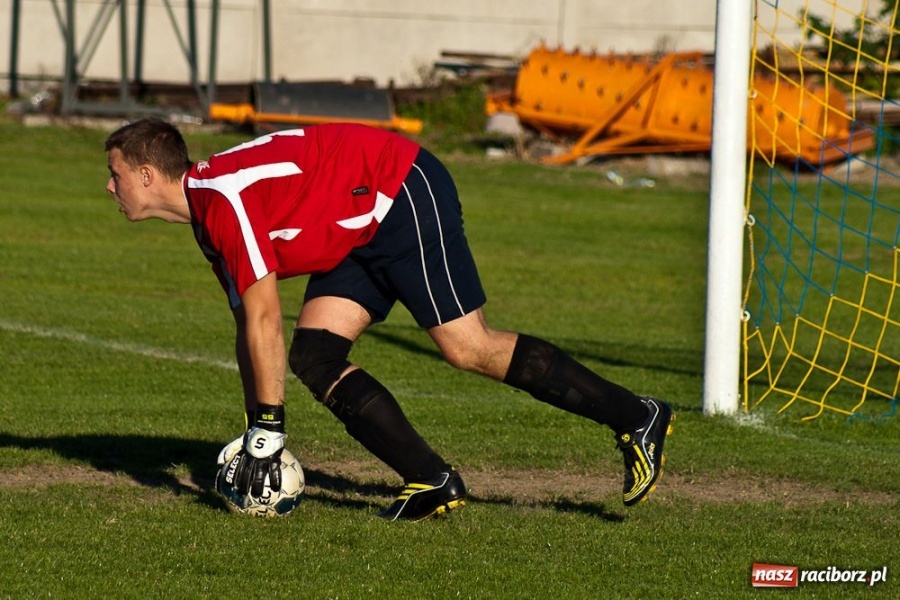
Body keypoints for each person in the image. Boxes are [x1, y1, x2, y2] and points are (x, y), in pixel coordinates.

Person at [103, 117, 674, 522]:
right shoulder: (209, 217)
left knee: (467, 346)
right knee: (315, 355)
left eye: (117, 174)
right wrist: (261, 426)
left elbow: (265, 318)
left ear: (148, 175)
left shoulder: (222, 201)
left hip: (400, 189)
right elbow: (248, 329)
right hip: (360, 222)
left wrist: (268, 432)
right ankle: (432, 479)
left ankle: (637, 415)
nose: (111, 187)